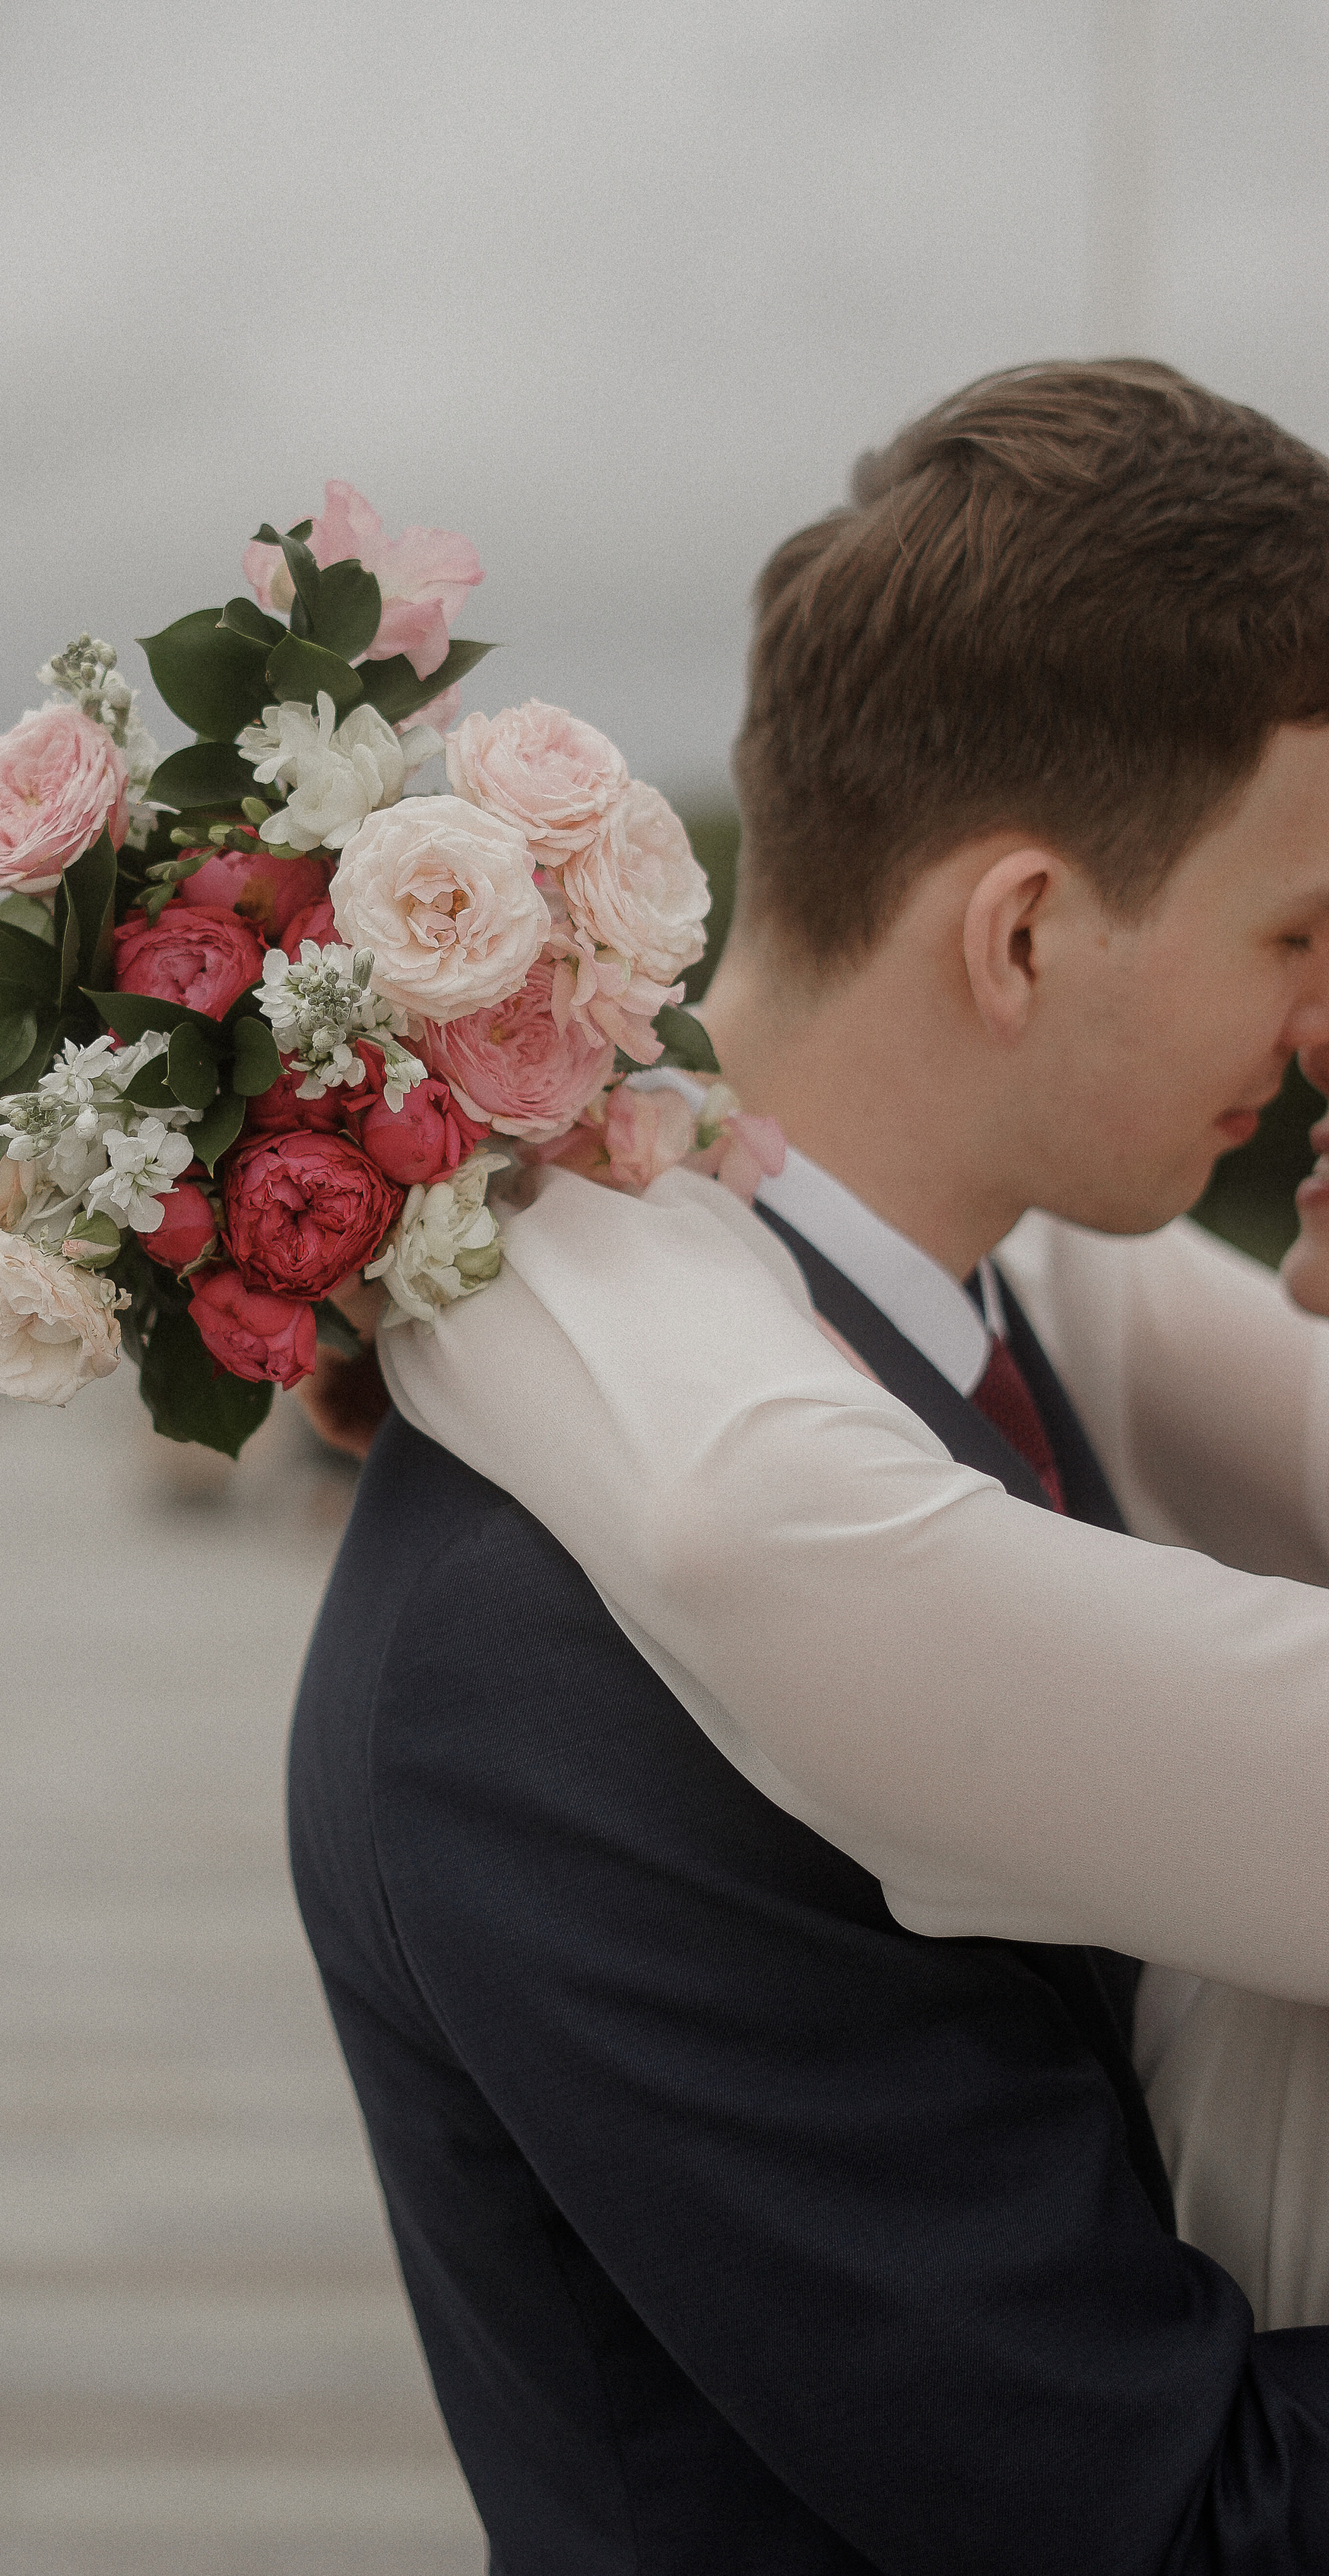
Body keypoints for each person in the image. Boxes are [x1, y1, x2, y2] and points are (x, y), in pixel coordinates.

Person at [288, 363, 1329, 2570]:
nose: (1324, 1022)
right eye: (1298, 932)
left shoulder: (1020, 1318)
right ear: (1025, 931)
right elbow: (1155, 2518)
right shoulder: (547, 1665)